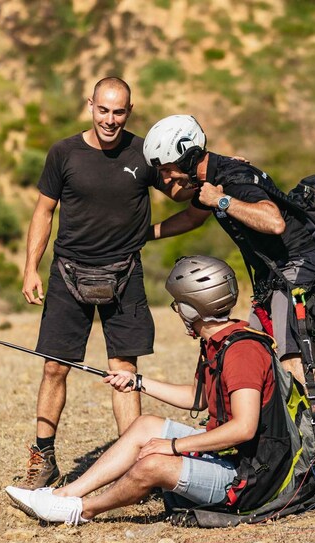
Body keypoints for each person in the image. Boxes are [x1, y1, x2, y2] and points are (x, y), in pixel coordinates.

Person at [143, 115, 315, 499]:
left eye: (169, 170)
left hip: (298, 273)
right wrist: (146, 234)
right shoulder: (212, 179)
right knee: (265, 355)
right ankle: (314, 447)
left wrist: (222, 199)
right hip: (273, 279)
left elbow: (273, 223)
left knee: (294, 364)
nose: (166, 180)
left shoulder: (232, 180)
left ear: (189, 158)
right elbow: (193, 216)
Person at [6, 256, 315, 525]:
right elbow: (199, 398)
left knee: (153, 464)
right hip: (234, 459)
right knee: (145, 426)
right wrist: (137, 381)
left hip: (251, 479)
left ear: (192, 306)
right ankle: (63, 495)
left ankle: (81, 510)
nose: (178, 310)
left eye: (179, 304)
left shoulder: (241, 352)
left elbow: (243, 427)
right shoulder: (218, 341)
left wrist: (174, 446)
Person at [17, 79, 192, 490]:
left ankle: (132, 469)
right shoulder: (63, 152)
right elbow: (44, 212)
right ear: (90, 105)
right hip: (67, 273)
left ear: (129, 111)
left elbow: (186, 197)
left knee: (125, 371)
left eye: (118, 112)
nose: (110, 120)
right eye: (103, 110)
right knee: (54, 367)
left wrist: (214, 175)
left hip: (125, 274)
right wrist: (30, 268)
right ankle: (43, 459)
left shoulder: (145, 152)